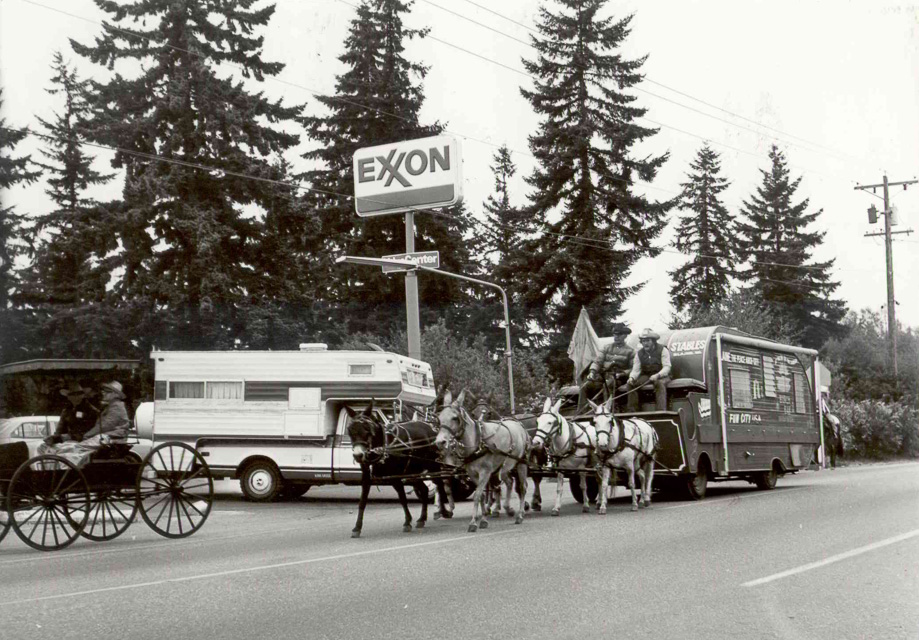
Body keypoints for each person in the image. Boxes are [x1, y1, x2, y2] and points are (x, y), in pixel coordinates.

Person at [40, 381, 131, 467]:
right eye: (71, 395)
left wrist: (87, 436)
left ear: (115, 394)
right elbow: (61, 427)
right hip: (101, 437)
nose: (103, 392)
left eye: (107, 391)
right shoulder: (67, 410)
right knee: (58, 449)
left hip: (110, 439)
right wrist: (57, 437)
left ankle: (67, 469)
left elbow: (105, 425)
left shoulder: (115, 407)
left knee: (73, 449)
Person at [577, 323, 635, 413]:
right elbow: (597, 362)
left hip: (619, 377)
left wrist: (623, 374)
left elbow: (633, 368)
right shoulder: (606, 348)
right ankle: (581, 413)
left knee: (609, 385)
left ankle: (608, 411)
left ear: (625, 336)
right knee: (585, 386)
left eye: (619, 335)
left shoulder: (630, 351)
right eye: (615, 334)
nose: (616, 337)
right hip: (603, 376)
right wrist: (592, 372)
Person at [37, 381, 99, 454]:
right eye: (72, 395)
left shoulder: (91, 411)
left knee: (65, 451)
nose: (76, 397)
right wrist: (54, 438)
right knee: (42, 447)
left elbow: (89, 432)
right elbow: (60, 429)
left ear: (83, 395)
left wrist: (68, 437)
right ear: (68, 397)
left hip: (83, 443)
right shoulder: (67, 410)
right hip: (66, 442)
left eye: (79, 394)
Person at [622, 328, 672, 412]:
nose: (645, 343)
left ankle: (661, 411)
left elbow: (667, 367)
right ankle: (632, 412)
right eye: (643, 341)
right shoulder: (639, 353)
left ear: (653, 341)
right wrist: (632, 378)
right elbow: (636, 370)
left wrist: (658, 375)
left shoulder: (663, 350)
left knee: (659, 383)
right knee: (631, 384)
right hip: (647, 376)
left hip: (663, 376)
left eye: (648, 341)